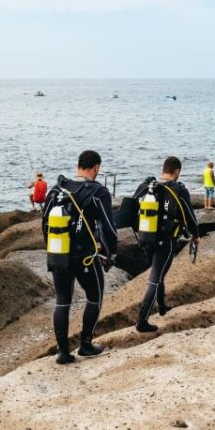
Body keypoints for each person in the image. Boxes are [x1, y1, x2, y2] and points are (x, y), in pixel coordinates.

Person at [42, 150, 118, 364]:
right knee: (95, 296)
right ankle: (85, 345)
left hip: (59, 255)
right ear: (96, 168)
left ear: (78, 166)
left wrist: (52, 250)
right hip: (85, 257)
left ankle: (63, 353)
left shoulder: (57, 189)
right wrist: (111, 251)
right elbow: (109, 228)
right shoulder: (98, 192)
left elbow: (45, 224)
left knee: (62, 302)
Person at [133, 156, 199, 333]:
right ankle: (142, 321)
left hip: (146, 239)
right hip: (165, 241)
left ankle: (162, 306)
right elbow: (190, 216)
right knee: (155, 279)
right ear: (176, 171)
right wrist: (196, 235)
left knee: (158, 274)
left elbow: (131, 209)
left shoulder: (147, 187)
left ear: (164, 169)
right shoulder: (178, 190)